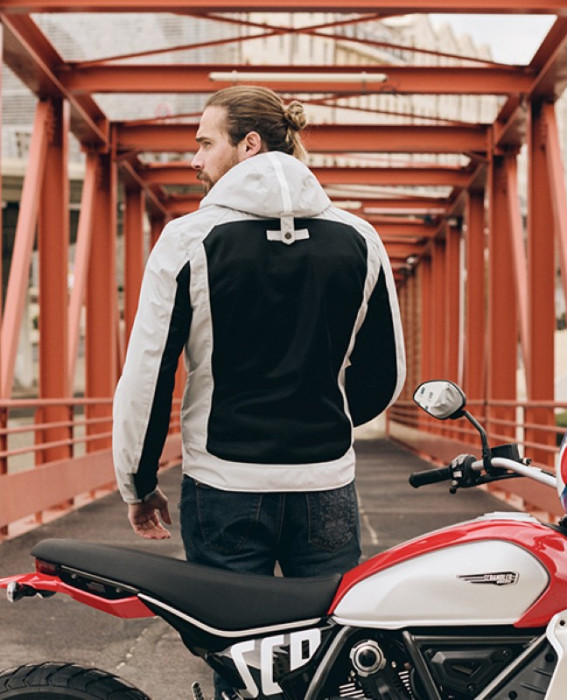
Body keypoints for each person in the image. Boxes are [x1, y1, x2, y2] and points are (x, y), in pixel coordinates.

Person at [112, 85, 406, 696]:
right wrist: (322, 420)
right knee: (330, 663)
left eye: (204, 143)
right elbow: (386, 375)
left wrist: (138, 483)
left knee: (240, 664)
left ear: (248, 144)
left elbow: (148, 375)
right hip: (325, 484)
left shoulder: (188, 239)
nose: (194, 159)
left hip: (224, 489)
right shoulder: (360, 238)